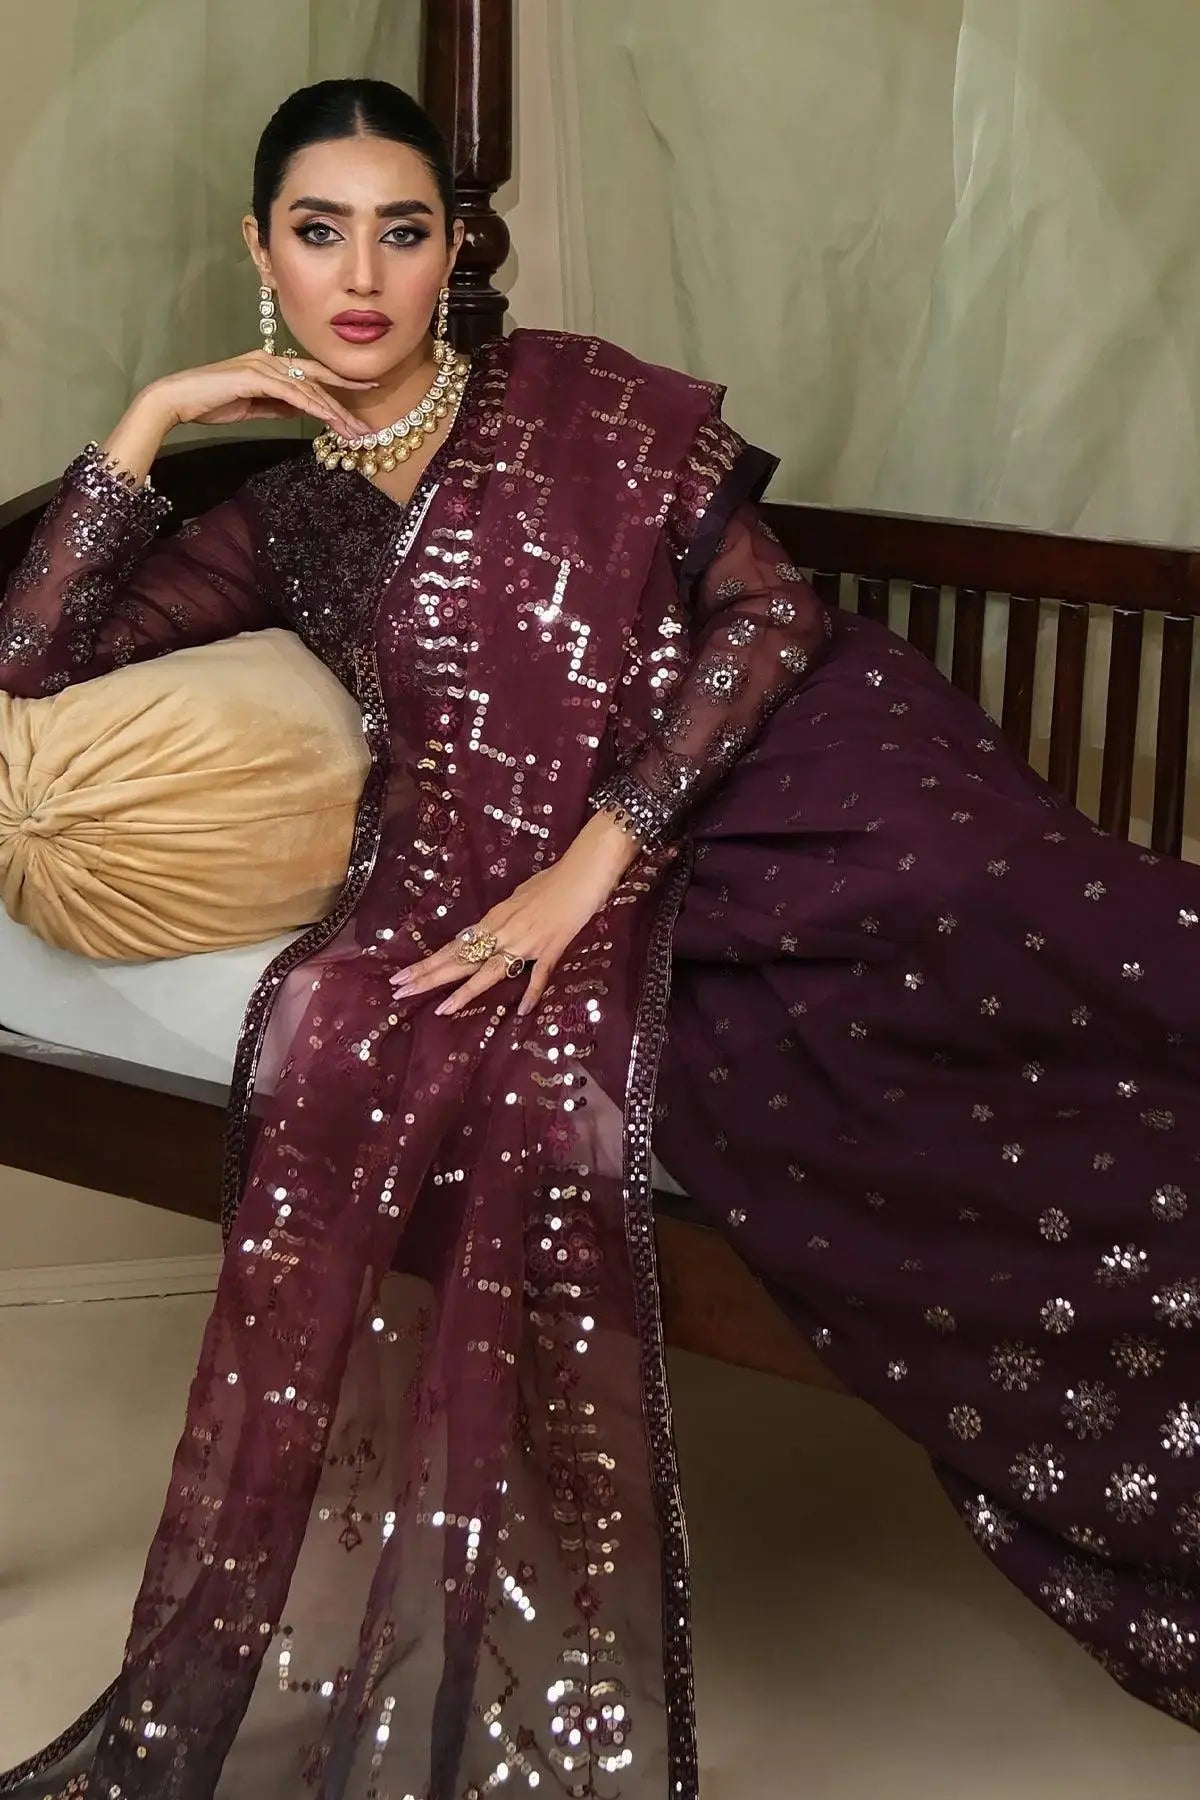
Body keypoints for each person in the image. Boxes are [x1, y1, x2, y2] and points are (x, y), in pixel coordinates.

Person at [1, 73, 1199, 1800]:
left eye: (403, 232)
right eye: (320, 233)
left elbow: (771, 614)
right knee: (821, 1079)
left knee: (1022, 920)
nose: (363, 276)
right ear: (260, 250)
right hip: (571, 860)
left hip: (805, 760)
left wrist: (596, 857)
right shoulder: (285, 520)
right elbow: (33, 656)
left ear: (450, 249)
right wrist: (153, 415)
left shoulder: (574, 396)